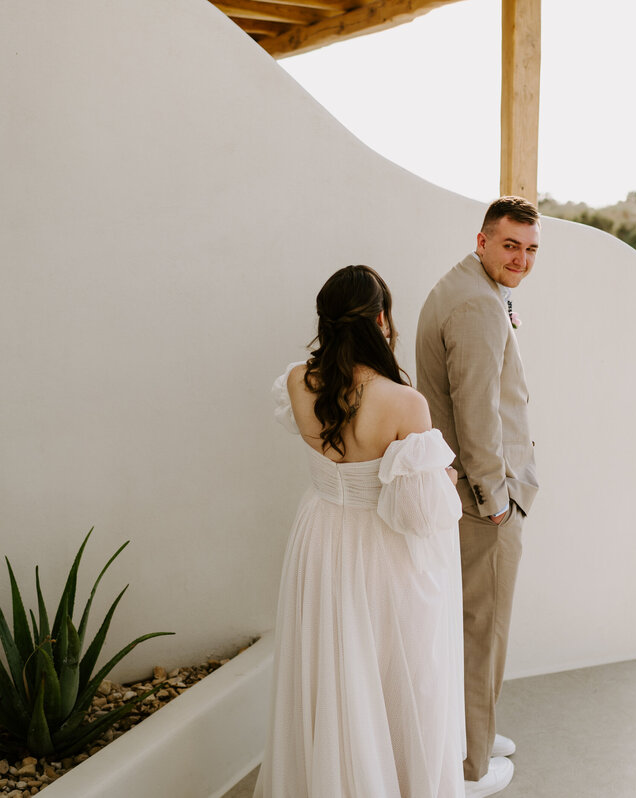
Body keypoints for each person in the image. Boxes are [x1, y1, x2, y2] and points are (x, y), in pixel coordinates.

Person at [255, 264, 466, 798]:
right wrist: (444, 476)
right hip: (381, 546)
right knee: (399, 668)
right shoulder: (402, 401)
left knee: (330, 664)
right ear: (381, 319)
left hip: (320, 533)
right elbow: (419, 513)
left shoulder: (299, 381)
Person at [415, 196, 541, 797]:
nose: (521, 258)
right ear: (483, 240)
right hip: (482, 497)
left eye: (531, 248)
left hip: (473, 491)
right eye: (511, 245)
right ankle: (470, 764)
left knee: (475, 622)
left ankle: (477, 731)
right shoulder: (474, 304)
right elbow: (477, 412)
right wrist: (494, 496)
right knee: (481, 627)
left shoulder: (475, 289)